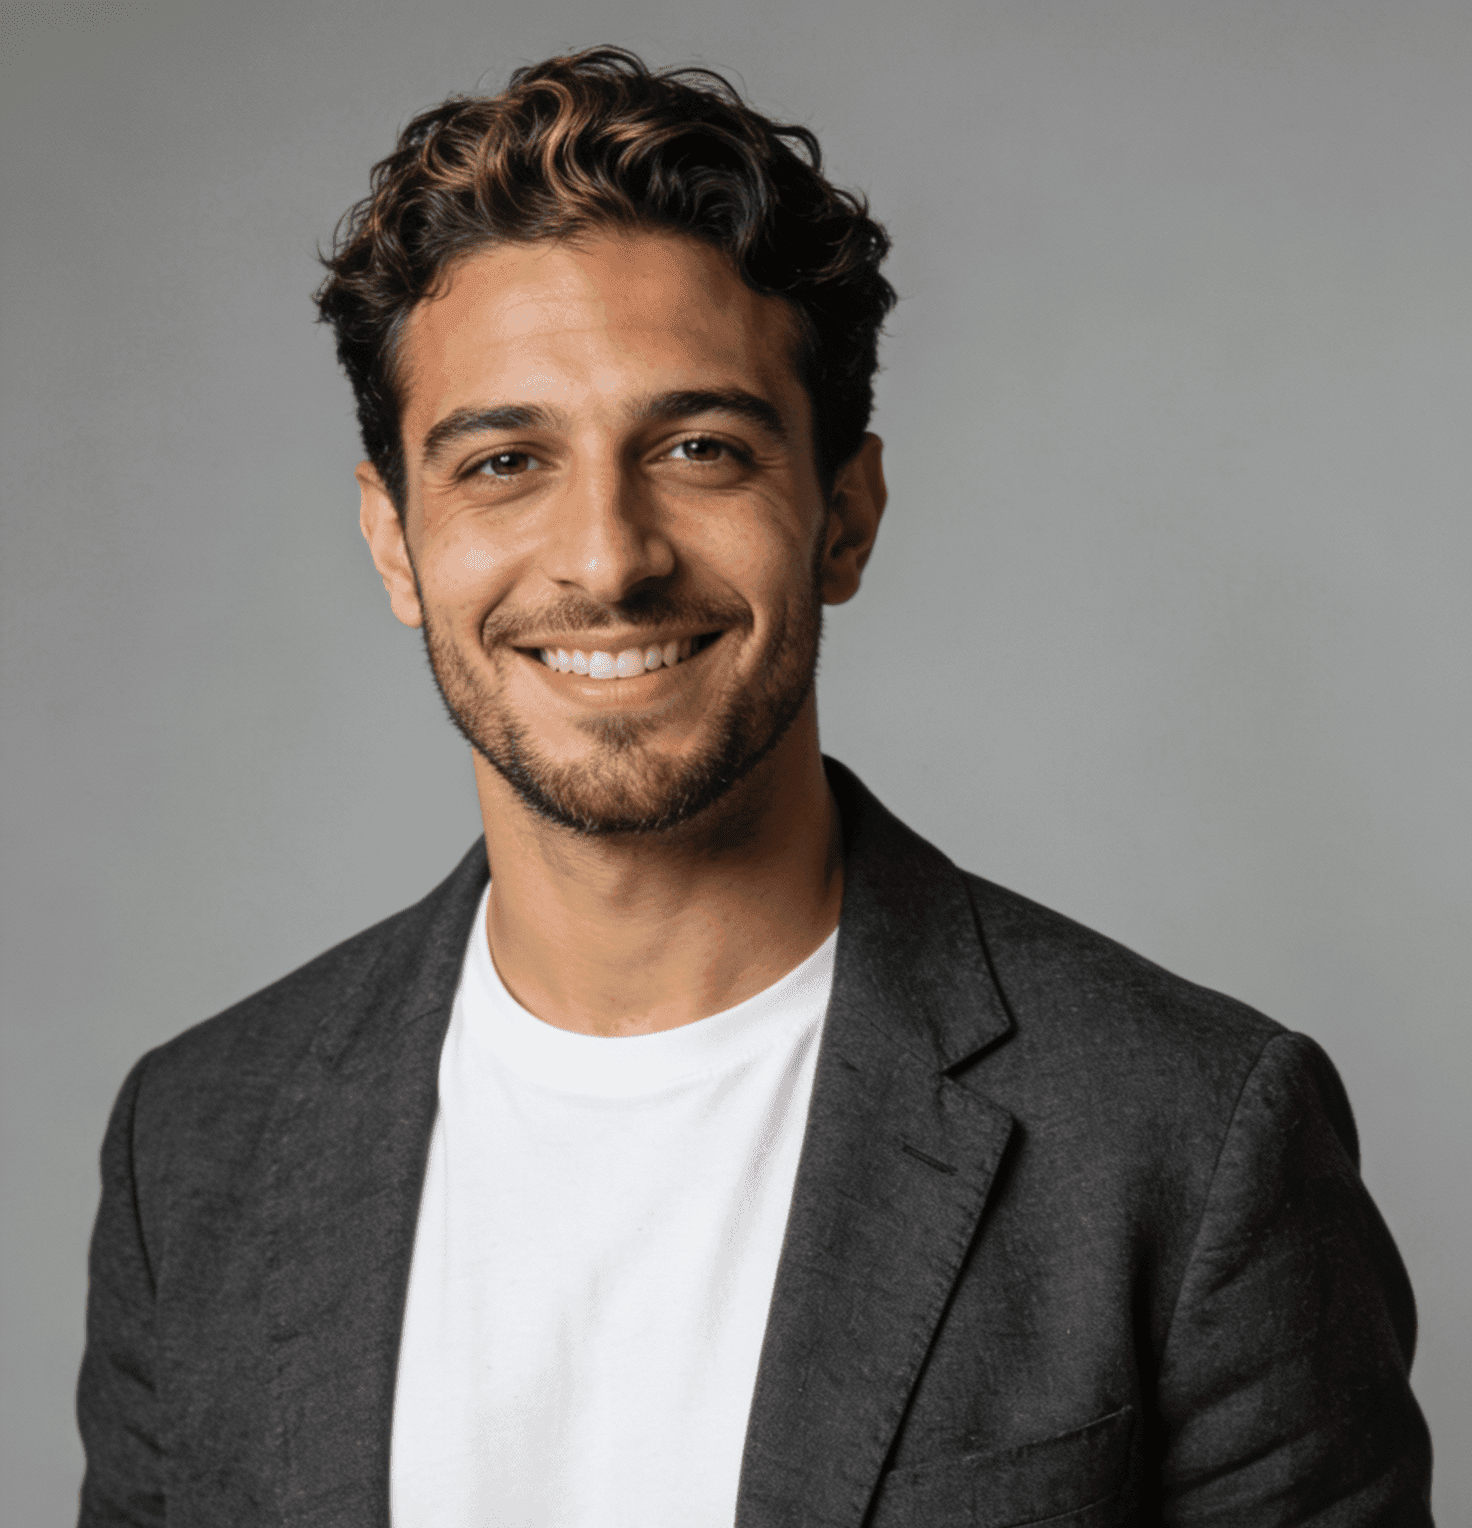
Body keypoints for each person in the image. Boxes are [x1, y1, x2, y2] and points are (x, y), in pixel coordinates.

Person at [76, 46, 1433, 1528]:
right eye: (506, 461)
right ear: (396, 541)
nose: (608, 558)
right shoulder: (194, 1146)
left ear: (843, 517)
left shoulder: (1190, 1135)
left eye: (699, 448)